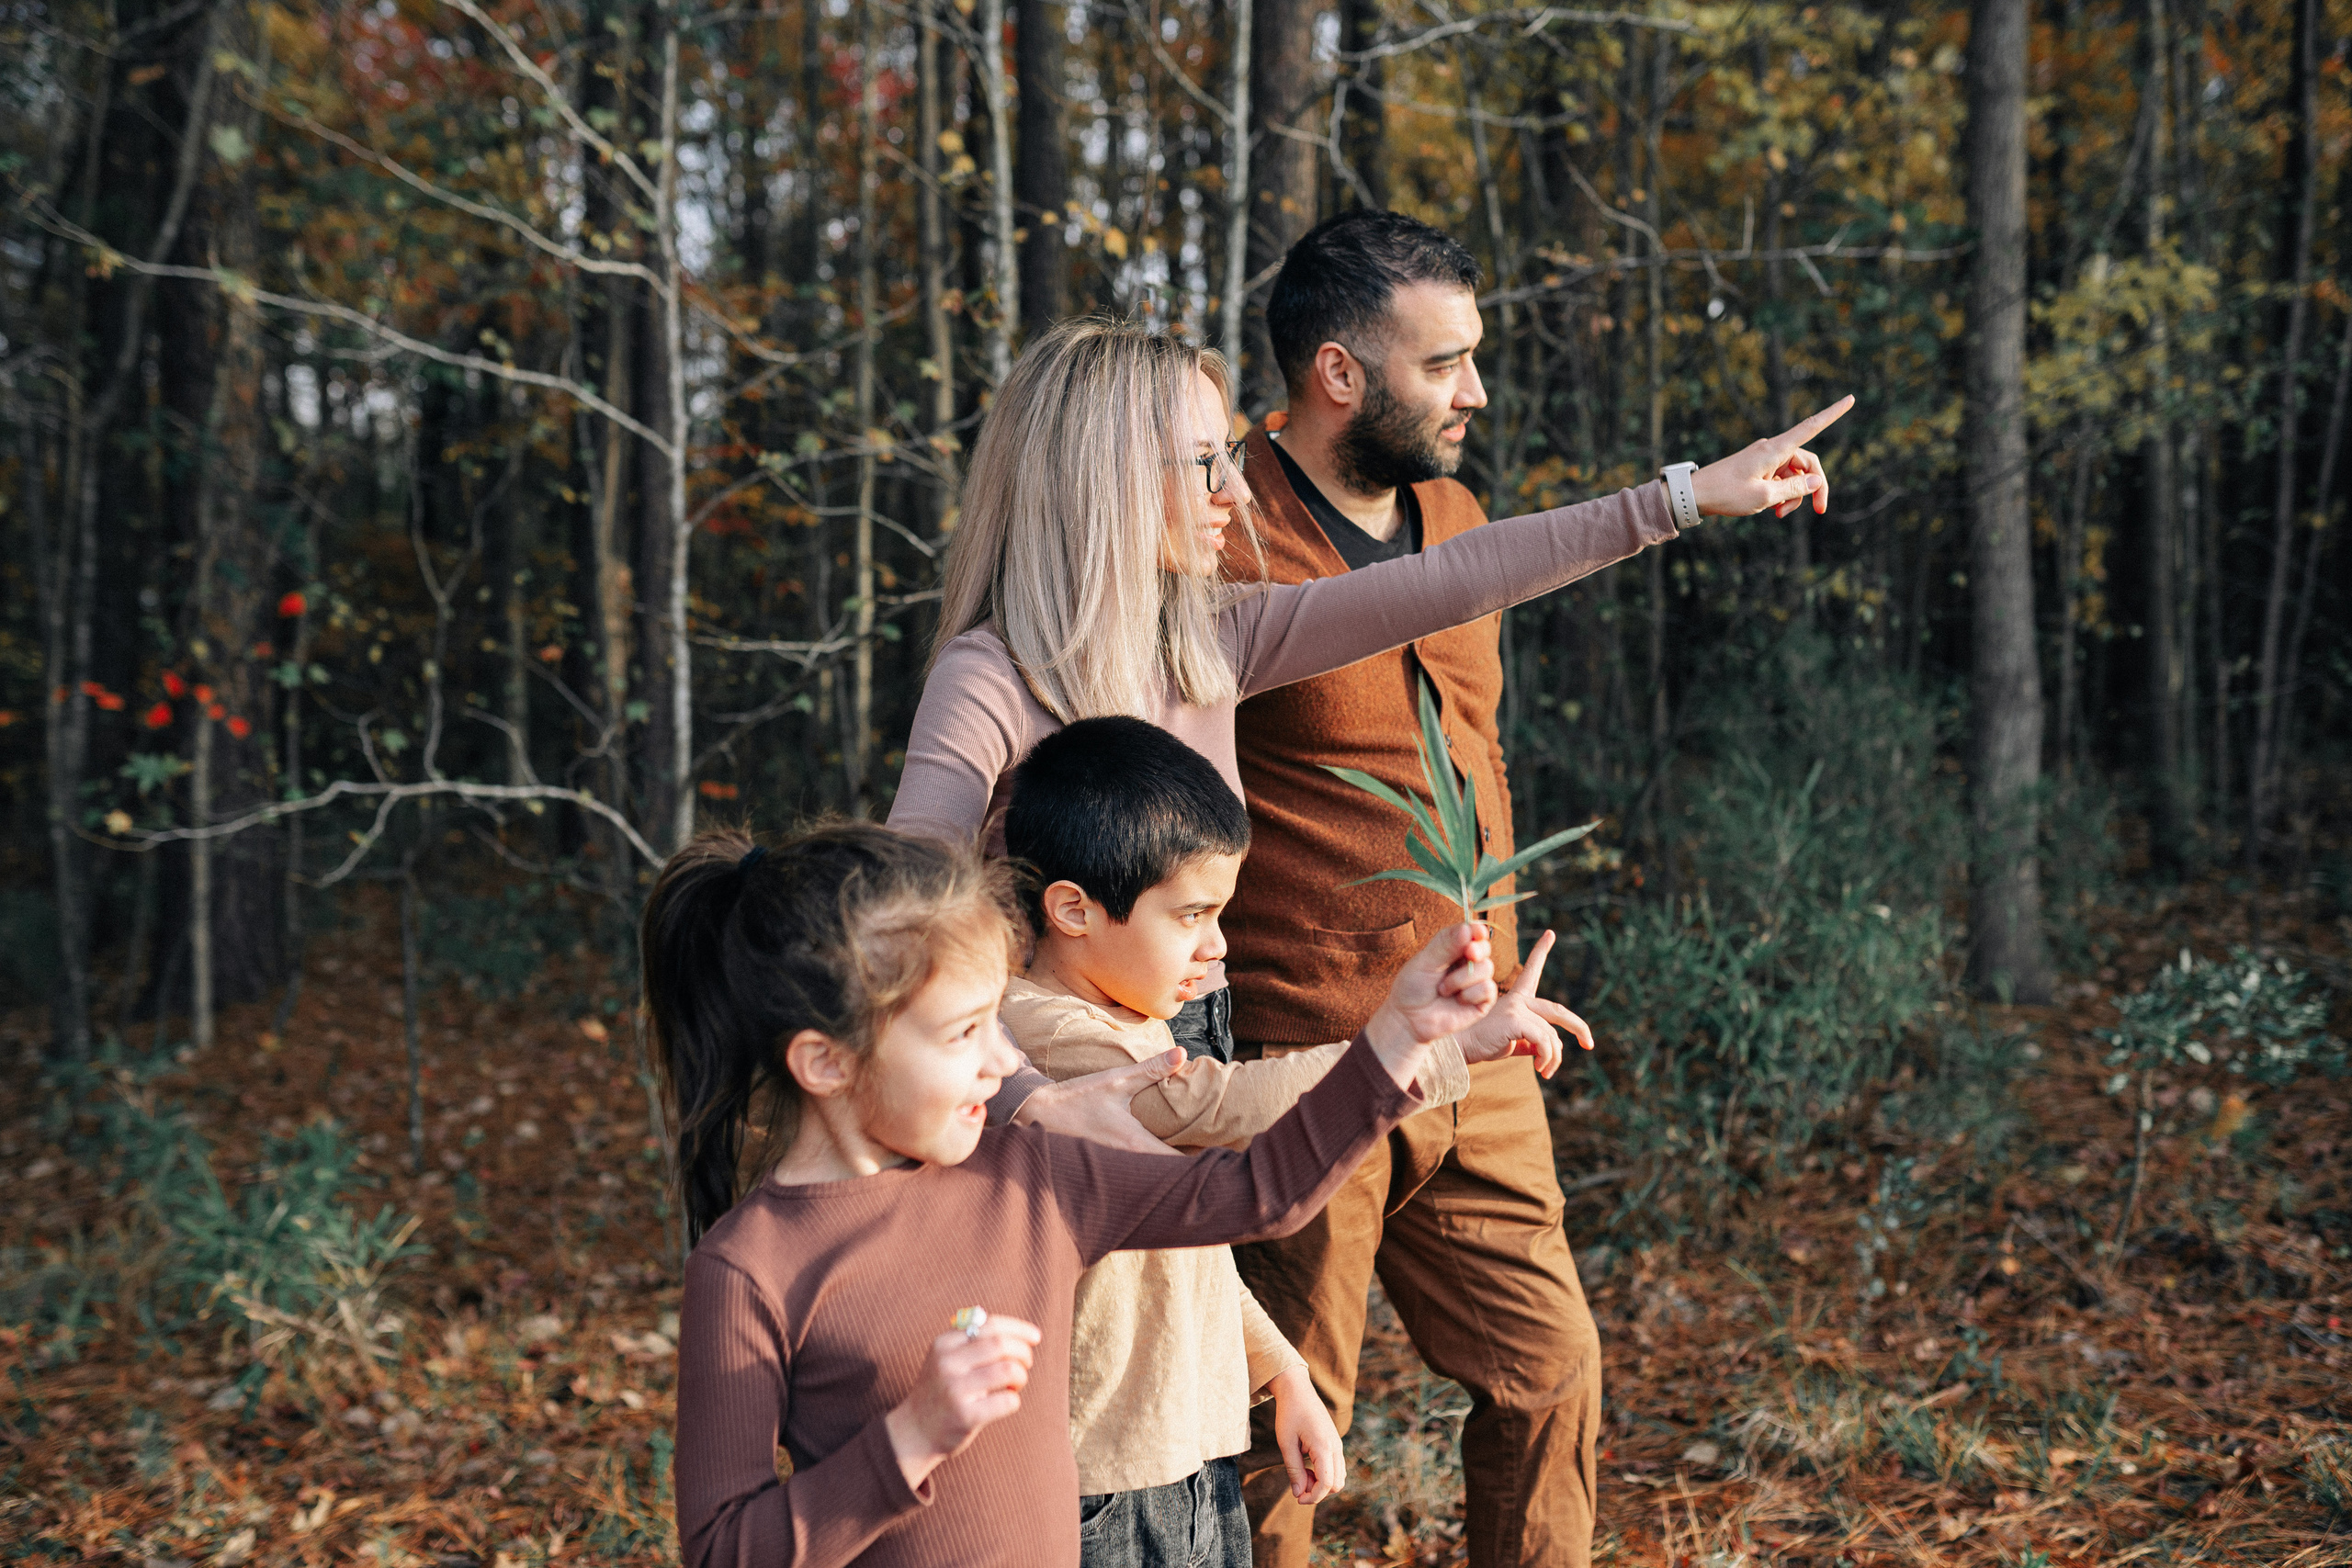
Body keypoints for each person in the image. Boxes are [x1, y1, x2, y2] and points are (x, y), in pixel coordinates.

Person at [1218, 210, 1839, 1568]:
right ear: (1338, 374)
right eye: (1444, 364)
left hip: (1479, 1042)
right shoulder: (1224, 532)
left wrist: (1491, 977)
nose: (1477, 393)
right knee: (1285, 1437)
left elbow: (1472, 740)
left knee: (1549, 1372)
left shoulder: (1454, 517)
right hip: (1304, 1056)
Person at [887, 317, 1843, 1077]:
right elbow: (908, 933)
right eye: (1206, 463)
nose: (1238, 495)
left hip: (1201, 1037)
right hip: (1047, 1053)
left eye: (1234, 458)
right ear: (1106, 478)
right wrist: (1021, 1096)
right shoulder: (991, 678)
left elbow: (1453, 579)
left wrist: (1681, 498)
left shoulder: (1217, 638)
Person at [651, 820, 1514, 1568]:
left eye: (998, 1021)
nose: (1005, 1063)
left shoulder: (1030, 1174)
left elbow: (1259, 1193)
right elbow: (724, 1547)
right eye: (964, 1032)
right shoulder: (749, 1269)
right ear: (825, 1061)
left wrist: (1395, 1042)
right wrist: (910, 1436)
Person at [997, 716, 1589, 1567]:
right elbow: (1227, 1104)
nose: (1218, 944)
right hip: (1105, 1487)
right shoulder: (1050, 1040)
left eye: (1221, 913)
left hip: (1190, 1460)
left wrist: (1283, 1370)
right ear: (1072, 910)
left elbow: (1189, 1253)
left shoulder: (1124, 1019)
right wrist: (1427, 1044)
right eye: (1192, 914)